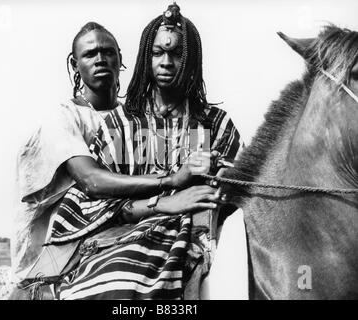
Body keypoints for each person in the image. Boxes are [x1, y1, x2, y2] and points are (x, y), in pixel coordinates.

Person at [42, 3, 243, 300]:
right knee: (118, 281)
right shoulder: (120, 124)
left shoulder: (216, 124)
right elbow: (102, 201)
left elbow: (230, 193)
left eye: (177, 54)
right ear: (145, 57)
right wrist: (166, 202)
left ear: (192, 60)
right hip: (125, 237)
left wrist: (220, 183)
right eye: (158, 53)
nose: (166, 62)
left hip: (198, 235)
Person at [11, 22, 124, 290]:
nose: (100, 59)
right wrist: (169, 181)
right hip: (54, 249)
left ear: (120, 57)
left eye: (108, 52)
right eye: (90, 54)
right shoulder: (62, 117)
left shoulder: (133, 118)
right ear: (75, 64)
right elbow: (92, 181)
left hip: (115, 231)